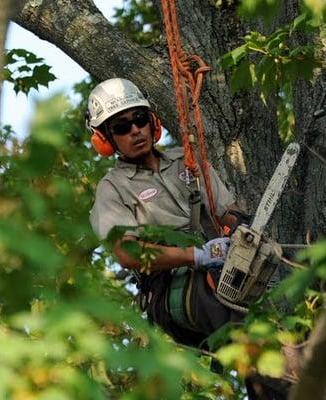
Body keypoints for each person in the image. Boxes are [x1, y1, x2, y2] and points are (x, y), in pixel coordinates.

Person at [87, 78, 246, 347]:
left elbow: (229, 214)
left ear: (152, 122)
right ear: (105, 139)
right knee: (232, 317)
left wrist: (240, 233)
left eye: (140, 119)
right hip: (171, 286)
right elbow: (127, 253)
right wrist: (196, 256)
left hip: (220, 267)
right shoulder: (113, 189)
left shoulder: (188, 161)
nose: (135, 130)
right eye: (122, 127)